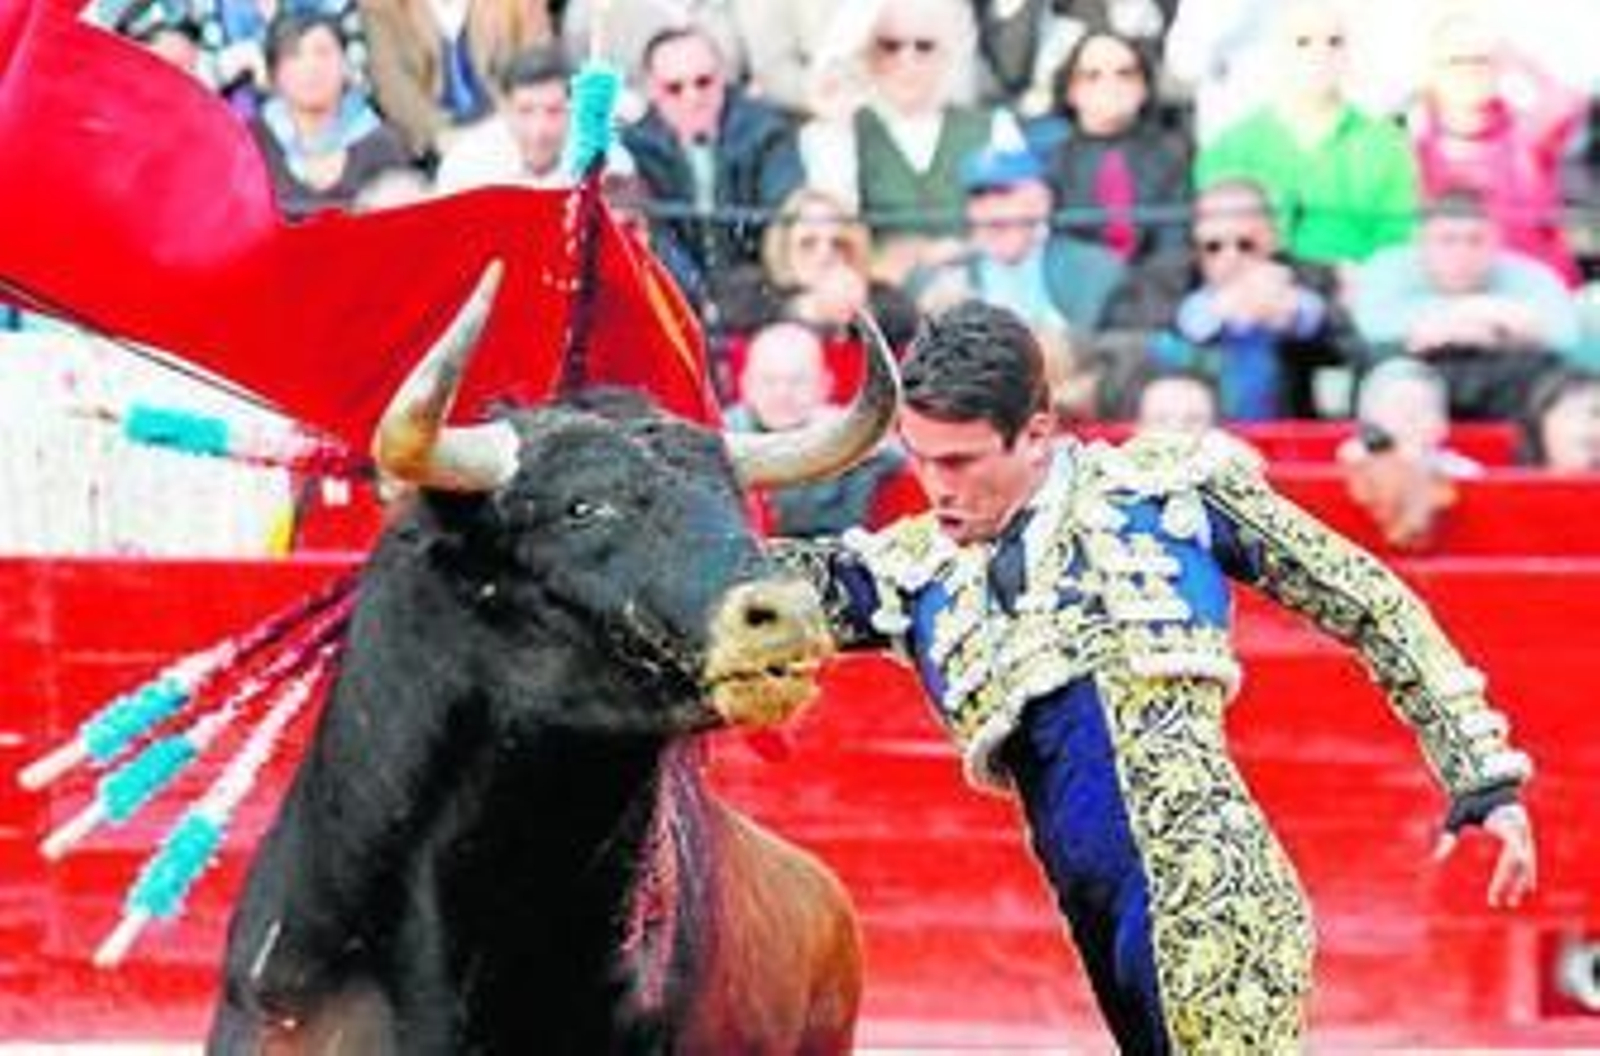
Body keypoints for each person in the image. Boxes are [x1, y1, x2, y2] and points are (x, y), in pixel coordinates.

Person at [779, 299, 1537, 1051]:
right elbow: (767, 595)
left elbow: (1366, 598)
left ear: (1037, 433)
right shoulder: (915, 569)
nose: (934, 485)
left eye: (960, 461)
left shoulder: (1164, 494)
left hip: (1216, 900)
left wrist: (1481, 775)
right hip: (1099, 917)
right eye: (918, 456)